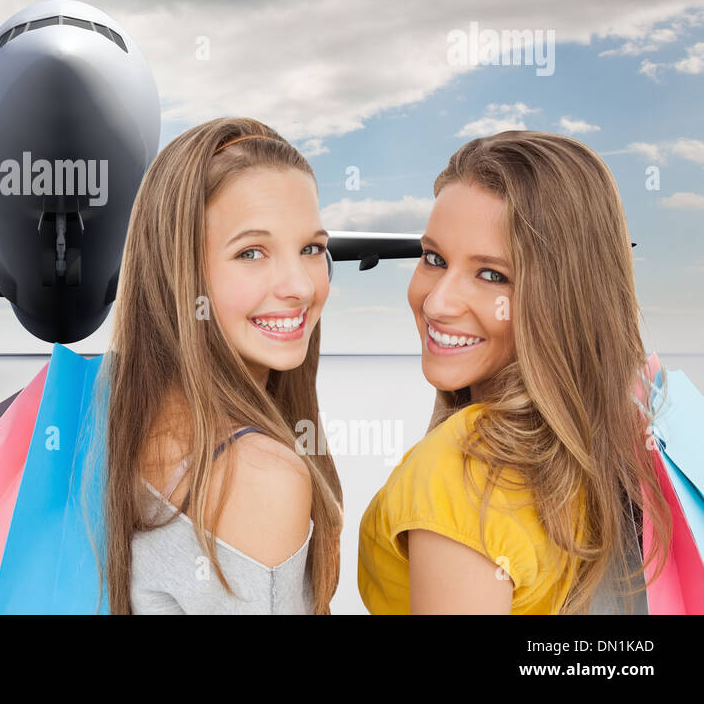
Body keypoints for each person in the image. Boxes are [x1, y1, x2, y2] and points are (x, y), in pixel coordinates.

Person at [357, 130, 671, 614]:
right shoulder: (629, 432)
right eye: (434, 259)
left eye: (492, 275)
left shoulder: (458, 476)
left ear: (562, 299)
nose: (437, 303)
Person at [94, 118, 343, 613]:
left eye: (312, 248)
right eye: (251, 252)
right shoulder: (260, 477)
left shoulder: (114, 416)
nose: (300, 285)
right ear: (180, 274)